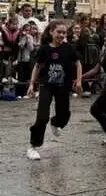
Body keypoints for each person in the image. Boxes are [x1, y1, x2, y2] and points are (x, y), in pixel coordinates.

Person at [27, 22, 82, 161]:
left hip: (63, 85)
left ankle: (56, 123)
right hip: (47, 85)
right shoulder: (44, 49)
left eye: (64, 33)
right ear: (51, 32)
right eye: (59, 32)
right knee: (42, 116)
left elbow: (78, 63)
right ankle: (33, 146)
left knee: (64, 114)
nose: (62, 35)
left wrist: (79, 81)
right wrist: (31, 84)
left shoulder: (68, 48)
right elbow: (37, 67)